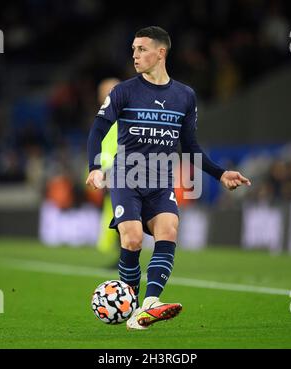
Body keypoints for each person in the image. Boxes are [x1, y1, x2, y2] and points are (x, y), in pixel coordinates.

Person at [86, 26, 251, 330]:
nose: (134, 55)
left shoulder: (185, 96)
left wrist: (220, 173)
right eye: (133, 49)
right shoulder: (123, 91)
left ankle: (149, 305)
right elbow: (98, 129)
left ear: (160, 53)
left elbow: (190, 147)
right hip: (127, 175)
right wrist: (94, 168)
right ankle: (131, 301)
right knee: (133, 239)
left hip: (161, 179)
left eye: (141, 49)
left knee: (169, 231)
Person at [94, 78, 120, 257]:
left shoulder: (124, 116)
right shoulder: (105, 117)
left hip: (121, 171)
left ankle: (123, 256)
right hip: (107, 172)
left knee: (122, 213)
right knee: (114, 214)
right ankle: (119, 255)